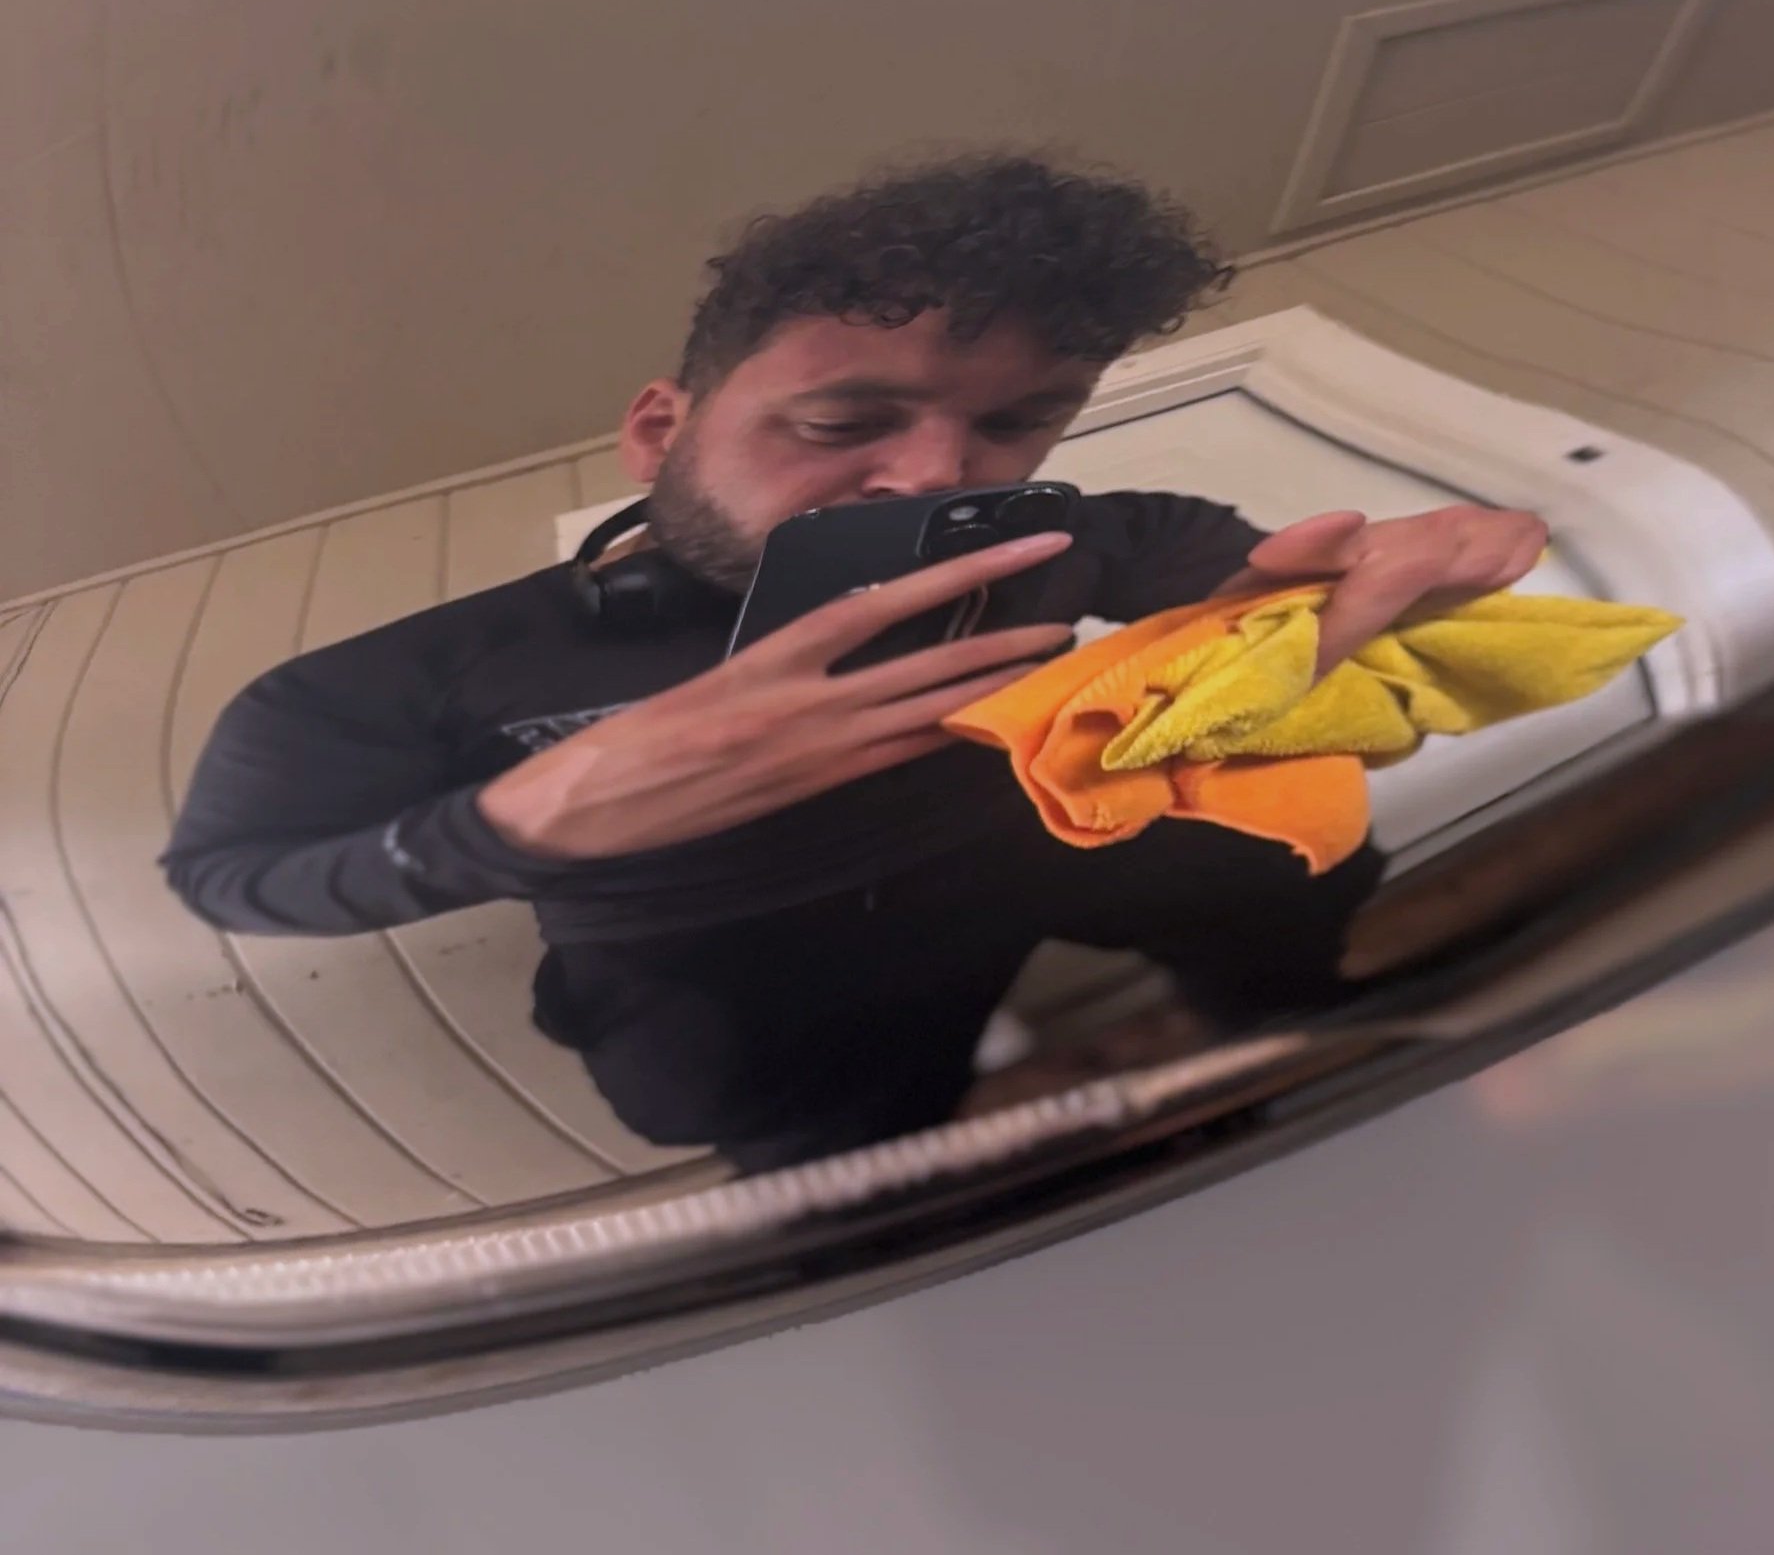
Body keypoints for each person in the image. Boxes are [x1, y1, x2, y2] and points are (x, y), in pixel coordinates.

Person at [162, 152, 1547, 1170]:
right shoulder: (403, 677)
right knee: (835, 1157)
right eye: (843, 420)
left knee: (1288, 862)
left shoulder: (1047, 533)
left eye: (1017, 420)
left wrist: (1349, 582)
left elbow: (1202, 551)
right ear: (659, 429)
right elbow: (233, 876)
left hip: (1026, 848)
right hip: (755, 989)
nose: (938, 474)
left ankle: (1302, 1040)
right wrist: (524, 816)